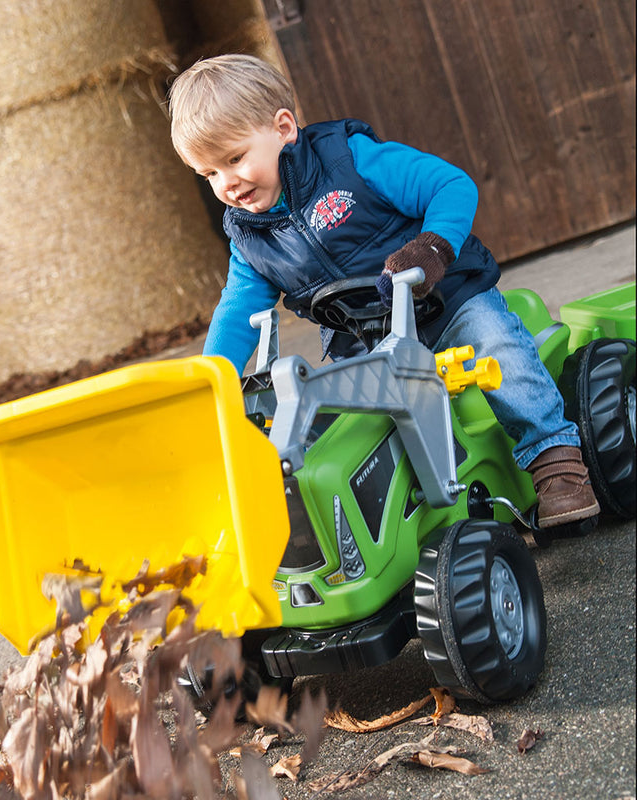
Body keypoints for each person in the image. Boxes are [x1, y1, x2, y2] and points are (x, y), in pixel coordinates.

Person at [167, 53, 599, 530]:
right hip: (366, 343)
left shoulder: (350, 160)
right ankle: (386, 526)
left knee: (495, 343)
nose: (227, 184)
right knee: (326, 418)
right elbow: (237, 312)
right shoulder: (250, 237)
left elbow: (451, 186)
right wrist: (213, 380)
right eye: (208, 174)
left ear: (284, 127)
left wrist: (431, 249)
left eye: (234, 158)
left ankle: (555, 462)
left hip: (446, 302)